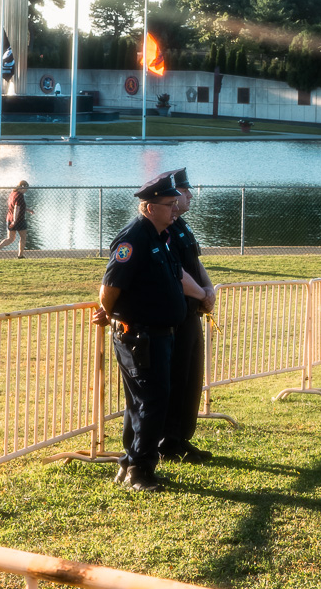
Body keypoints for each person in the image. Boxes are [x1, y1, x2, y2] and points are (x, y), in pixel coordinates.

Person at [92, 172, 202, 492]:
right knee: (150, 401)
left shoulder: (160, 235)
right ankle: (140, 470)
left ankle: (131, 462)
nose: (176, 209)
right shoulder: (135, 238)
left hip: (160, 334)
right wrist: (112, 313)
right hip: (140, 336)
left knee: (147, 402)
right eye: (169, 204)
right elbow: (110, 287)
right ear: (150, 207)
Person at [162, 169, 217, 463]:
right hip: (177, 312)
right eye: (185, 191)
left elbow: (194, 263)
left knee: (190, 378)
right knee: (176, 377)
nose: (190, 195)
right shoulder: (165, 228)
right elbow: (175, 271)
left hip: (191, 311)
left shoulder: (181, 226)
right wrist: (201, 294)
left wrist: (208, 288)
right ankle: (168, 441)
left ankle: (182, 438)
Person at [0, 180, 31, 259]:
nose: (26, 190)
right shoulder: (20, 195)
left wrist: (28, 210)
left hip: (9, 218)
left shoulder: (13, 193)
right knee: (23, 237)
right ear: (22, 187)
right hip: (19, 220)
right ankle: (20, 255)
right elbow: (17, 208)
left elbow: (17, 206)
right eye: (26, 188)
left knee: (10, 239)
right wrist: (15, 221)